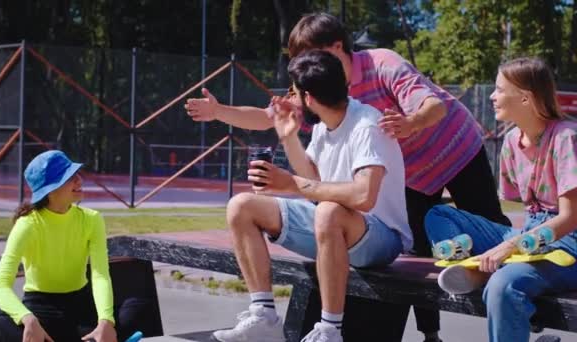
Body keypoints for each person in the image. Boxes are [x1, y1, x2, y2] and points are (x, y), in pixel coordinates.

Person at [185, 13, 510, 342]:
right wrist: (219, 112)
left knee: (488, 232)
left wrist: (411, 123)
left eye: (308, 55)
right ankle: (431, 334)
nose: (304, 64)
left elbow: (433, 106)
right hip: (403, 172)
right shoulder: (320, 87)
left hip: (453, 147)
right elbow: (271, 116)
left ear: (336, 47)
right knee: (424, 248)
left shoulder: (382, 64)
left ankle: (523, 295)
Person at [212, 50, 412, 342]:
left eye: (293, 91)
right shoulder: (323, 128)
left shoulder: (367, 125)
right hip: (333, 227)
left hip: (382, 239)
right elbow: (314, 181)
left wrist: (292, 184)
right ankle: (263, 317)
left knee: (328, 211)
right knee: (241, 206)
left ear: (308, 97)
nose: (289, 97)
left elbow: (363, 197)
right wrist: (288, 136)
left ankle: (330, 331)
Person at [424, 57, 577, 342]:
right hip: (527, 234)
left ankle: (481, 274)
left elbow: (570, 217)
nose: (493, 96)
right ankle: (461, 256)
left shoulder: (566, 137)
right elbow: (525, 209)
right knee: (439, 214)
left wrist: (509, 246)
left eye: (499, 89)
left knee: (502, 286)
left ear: (525, 98)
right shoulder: (510, 142)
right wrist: (512, 243)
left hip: (569, 244)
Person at [0, 150, 146, 342]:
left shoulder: (92, 219)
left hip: (81, 306)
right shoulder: (27, 225)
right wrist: (27, 319)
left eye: (77, 174)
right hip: (41, 308)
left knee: (137, 306)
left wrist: (105, 321)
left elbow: (100, 275)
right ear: (50, 190)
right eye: (70, 177)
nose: (79, 180)